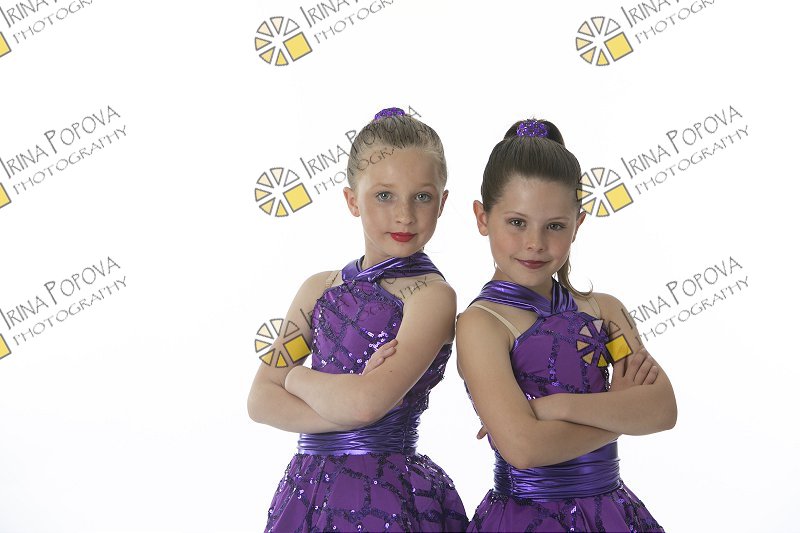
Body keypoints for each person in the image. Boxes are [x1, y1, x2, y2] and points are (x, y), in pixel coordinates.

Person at [247, 107, 468, 532]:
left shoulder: (431, 297)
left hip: (387, 495)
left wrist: (294, 378)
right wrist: (346, 409)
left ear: (442, 202)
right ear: (352, 200)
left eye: (422, 197)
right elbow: (260, 400)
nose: (404, 215)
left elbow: (365, 404)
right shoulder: (318, 289)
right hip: (307, 492)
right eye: (384, 196)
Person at [456, 118, 677, 532]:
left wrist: (552, 408)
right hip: (524, 518)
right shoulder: (481, 325)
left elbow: (662, 410)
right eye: (517, 222)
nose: (535, 243)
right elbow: (523, 448)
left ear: (577, 224)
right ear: (483, 218)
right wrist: (619, 410)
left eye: (555, 226)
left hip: (612, 515)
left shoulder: (605, 313)